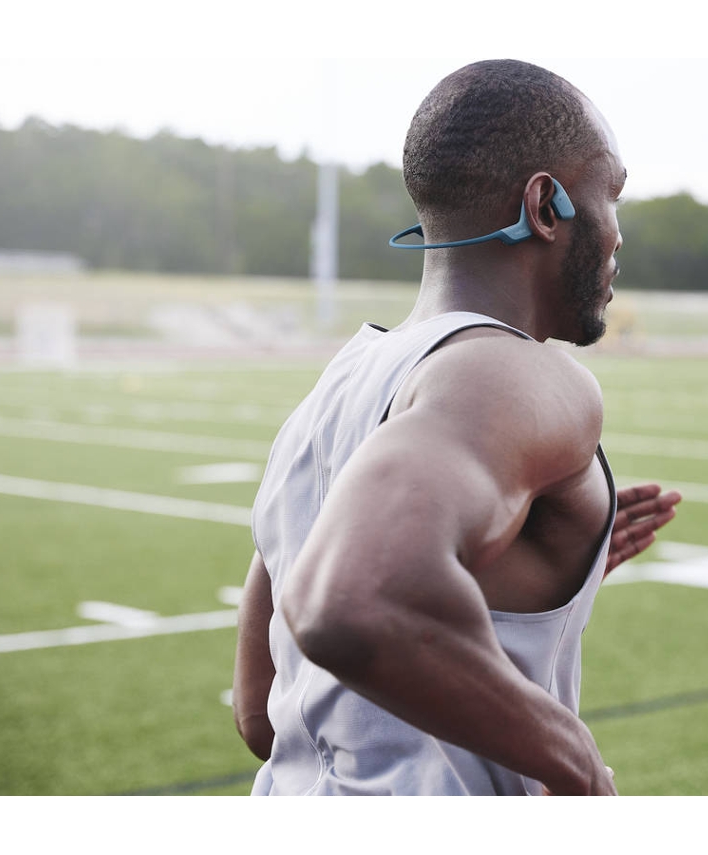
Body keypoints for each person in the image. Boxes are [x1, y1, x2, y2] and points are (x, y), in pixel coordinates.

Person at [231, 59, 682, 796]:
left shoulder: (332, 391)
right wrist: (577, 765)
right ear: (546, 205)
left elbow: (261, 711)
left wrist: (523, 586)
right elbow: (350, 602)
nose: (618, 236)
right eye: (612, 196)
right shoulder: (508, 372)